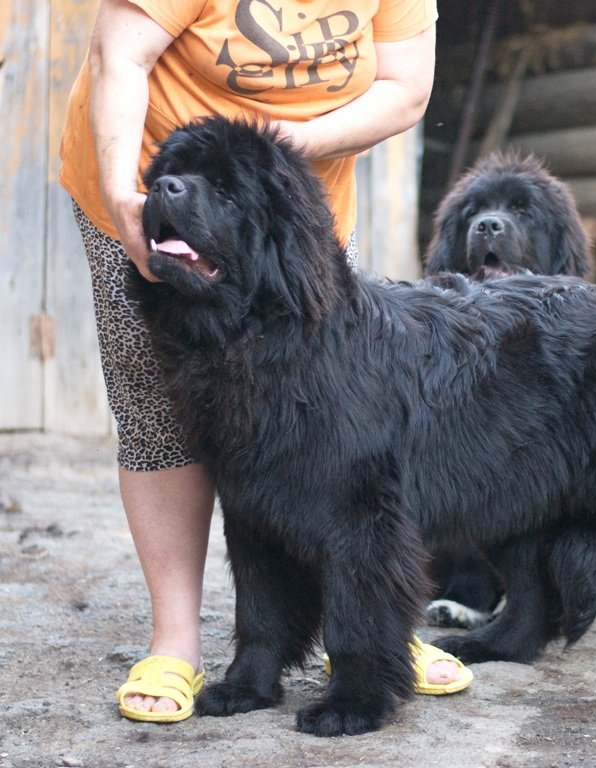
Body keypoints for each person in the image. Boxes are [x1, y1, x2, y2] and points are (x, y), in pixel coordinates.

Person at [59, 0, 472, 723]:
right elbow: (119, 55)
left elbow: (405, 91)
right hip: (140, 173)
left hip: (285, 204)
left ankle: (370, 635)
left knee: (336, 426)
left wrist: (277, 152)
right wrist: (129, 196)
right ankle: (176, 642)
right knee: (158, 413)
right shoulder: (137, 184)